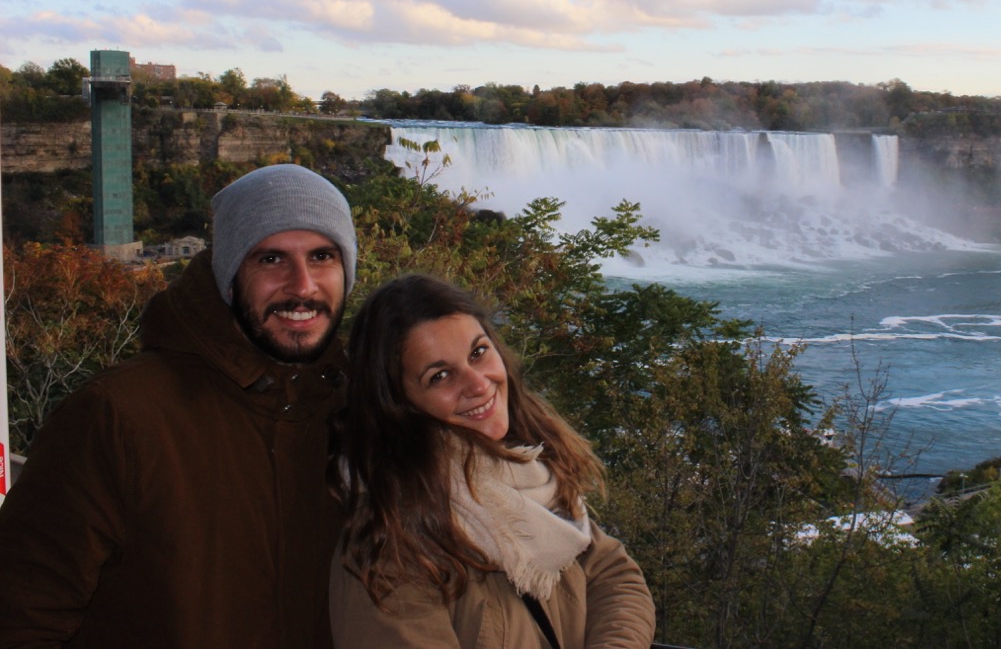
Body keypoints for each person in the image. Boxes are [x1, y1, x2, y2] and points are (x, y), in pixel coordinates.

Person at [0, 163, 358, 648]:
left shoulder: (361, 414)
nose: (302, 285)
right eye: (271, 259)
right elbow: (24, 616)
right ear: (229, 279)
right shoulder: (117, 418)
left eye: (322, 256)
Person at [329, 274, 655, 649]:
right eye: (440, 376)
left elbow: (611, 572)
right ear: (398, 405)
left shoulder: (527, 470)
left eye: (478, 352)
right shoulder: (391, 542)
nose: (478, 384)